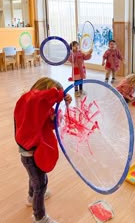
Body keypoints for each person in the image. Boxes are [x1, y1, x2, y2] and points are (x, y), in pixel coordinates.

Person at [14, 77, 72, 223]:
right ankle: (40, 217)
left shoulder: (41, 106)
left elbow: (50, 125)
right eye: (53, 93)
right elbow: (39, 98)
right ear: (45, 90)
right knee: (41, 183)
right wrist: (59, 95)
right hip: (30, 152)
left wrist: (56, 112)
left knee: (35, 178)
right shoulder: (29, 100)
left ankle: (30, 197)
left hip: (35, 150)